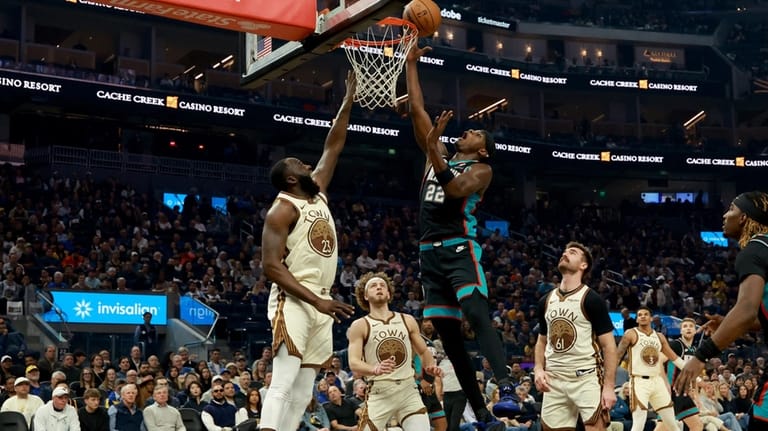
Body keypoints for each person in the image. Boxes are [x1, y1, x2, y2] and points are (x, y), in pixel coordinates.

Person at [405, 44, 514, 425]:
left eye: (474, 132)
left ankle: (507, 385)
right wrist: (412, 63)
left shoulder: (482, 172)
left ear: (482, 150)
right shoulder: (439, 152)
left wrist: (435, 147)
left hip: (458, 248)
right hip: (428, 254)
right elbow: (417, 110)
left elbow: (452, 190)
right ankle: (482, 410)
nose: (465, 131)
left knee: (475, 312)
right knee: (450, 342)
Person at [258, 71, 357, 431]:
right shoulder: (281, 208)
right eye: (299, 165)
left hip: (322, 300)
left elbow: (333, 146)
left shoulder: (318, 194)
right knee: (284, 379)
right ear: (289, 179)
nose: (306, 165)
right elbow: (270, 266)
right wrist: (316, 303)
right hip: (296, 297)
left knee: (304, 390)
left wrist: (347, 99)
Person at [675, 191, 768, 431]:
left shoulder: (754, 250)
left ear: (744, 218)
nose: (725, 216)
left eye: (731, 210)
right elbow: (756, 318)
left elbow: (746, 311)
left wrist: (701, 355)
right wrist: (729, 321)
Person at [534, 241, 617, 431]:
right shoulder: (545, 300)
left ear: (583, 265)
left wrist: (609, 386)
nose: (564, 254)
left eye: (571, 252)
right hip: (553, 379)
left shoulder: (592, 299)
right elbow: (541, 341)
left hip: (585, 378)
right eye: (564, 251)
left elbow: (609, 346)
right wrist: (539, 369)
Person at [347, 272, 443, 430]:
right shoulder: (360, 325)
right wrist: (374, 369)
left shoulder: (407, 320)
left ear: (389, 293)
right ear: (365, 295)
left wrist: (429, 370)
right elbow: (354, 362)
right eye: (373, 285)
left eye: (382, 285)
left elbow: (424, 352)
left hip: (408, 390)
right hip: (380, 391)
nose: (378, 287)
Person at [616, 306, 686, 431]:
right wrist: (608, 375)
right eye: (640, 315)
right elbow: (618, 355)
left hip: (657, 381)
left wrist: (690, 370)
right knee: (639, 423)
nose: (642, 316)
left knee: (672, 423)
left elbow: (674, 357)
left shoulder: (659, 336)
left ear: (651, 318)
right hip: (639, 381)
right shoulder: (631, 333)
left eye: (645, 314)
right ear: (637, 319)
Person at [665, 318, 704, 431]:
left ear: (695, 331)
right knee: (697, 425)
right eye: (685, 326)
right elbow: (658, 363)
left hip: (681, 392)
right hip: (673, 391)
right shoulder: (675, 345)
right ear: (681, 331)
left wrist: (696, 396)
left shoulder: (694, 350)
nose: (688, 328)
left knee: (664, 427)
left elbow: (693, 376)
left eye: (691, 326)